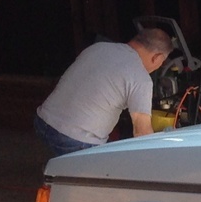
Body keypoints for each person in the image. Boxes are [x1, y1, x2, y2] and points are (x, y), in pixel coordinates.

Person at [34, 27, 173, 156]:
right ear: (156, 57)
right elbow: (142, 134)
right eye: (162, 62)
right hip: (73, 140)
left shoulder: (98, 47)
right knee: (117, 167)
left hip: (43, 122)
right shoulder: (140, 77)